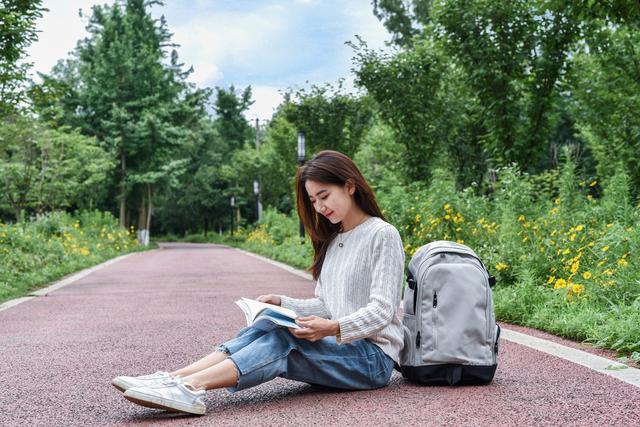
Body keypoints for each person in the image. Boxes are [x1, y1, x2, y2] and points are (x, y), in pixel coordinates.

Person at [112, 150, 405, 415]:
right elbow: (328, 304)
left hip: (371, 359)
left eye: (324, 196)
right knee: (268, 323)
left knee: (284, 339)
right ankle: (174, 377)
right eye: (313, 200)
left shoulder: (382, 235)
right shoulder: (334, 239)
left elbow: (382, 311)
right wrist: (282, 303)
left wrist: (332, 328)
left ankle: (191, 388)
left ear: (350, 186)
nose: (319, 207)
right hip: (342, 348)